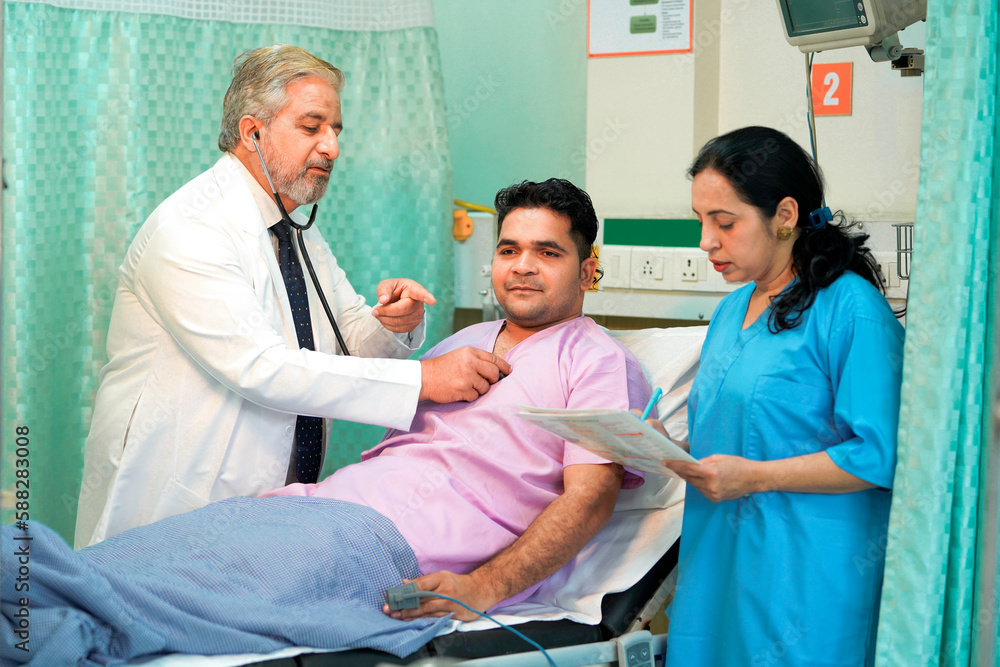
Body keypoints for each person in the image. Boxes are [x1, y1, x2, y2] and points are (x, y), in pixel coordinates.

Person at [2, 178, 651, 665]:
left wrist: (481, 586)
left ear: (588, 268)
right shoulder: (464, 343)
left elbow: (590, 499)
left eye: (547, 251)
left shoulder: (594, 360)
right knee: (124, 564)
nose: (523, 265)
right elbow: (356, 386)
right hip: (306, 506)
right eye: (509, 248)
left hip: (380, 542)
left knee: (138, 600)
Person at [75, 45, 510, 549]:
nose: (332, 148)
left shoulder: (294, 226)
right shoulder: (191, 229)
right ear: (252, 132)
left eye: (336, 130)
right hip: (178, 496)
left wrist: (394, 323)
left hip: (269, 501)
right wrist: (424, 379)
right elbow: (261, 368)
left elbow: (346, 335)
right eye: (312, 127)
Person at [645, 126, 905, 666]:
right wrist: (662, 447)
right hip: (719, 566)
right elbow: (740, 435)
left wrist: (757, 477)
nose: (706, 241)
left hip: (806, 578)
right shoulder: (730, 312)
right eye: (700, 221)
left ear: (785, 215)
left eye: (725, 222)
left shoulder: (850, 310)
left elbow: (879, 455)